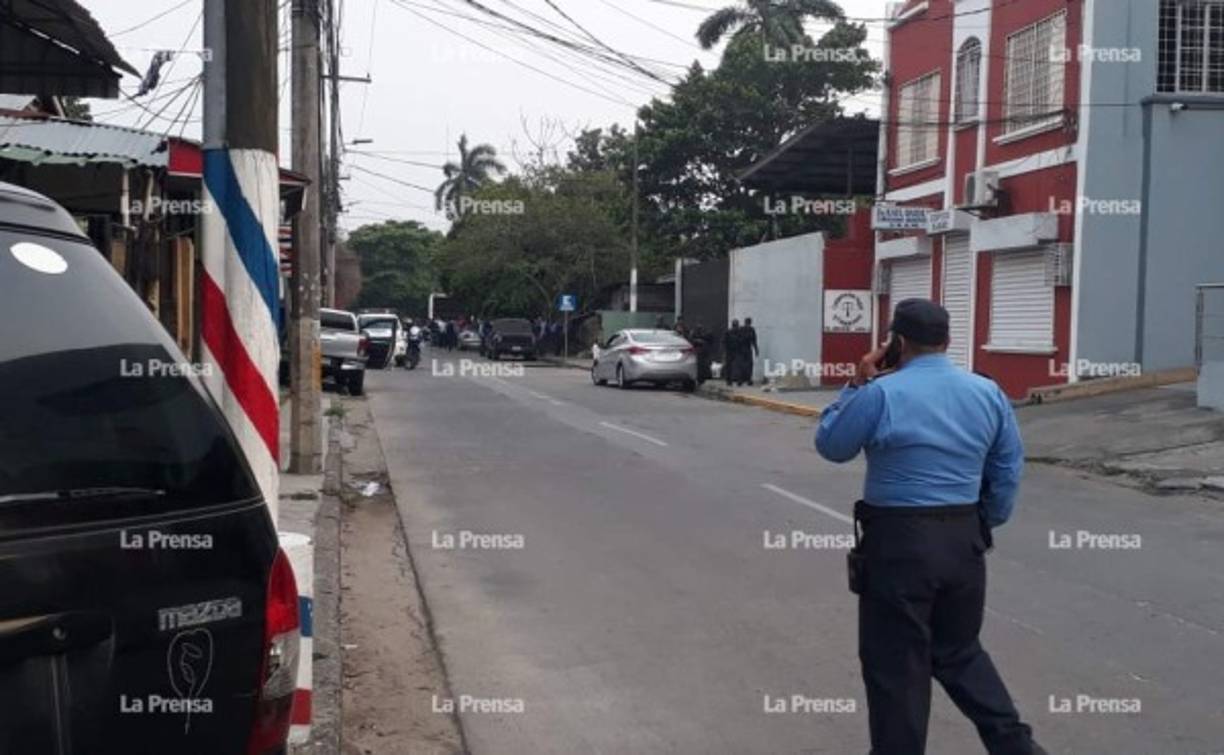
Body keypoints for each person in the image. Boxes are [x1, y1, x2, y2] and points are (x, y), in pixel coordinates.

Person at [814, 299, 1045, 755]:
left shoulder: (880, 393)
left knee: (896, 665)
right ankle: (1018, 748)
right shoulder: (987, 392)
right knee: (960, 652)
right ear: (948, 341)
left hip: (898, 544)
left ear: (896, 344)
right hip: (963, 539)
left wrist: (856, 383)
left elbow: (832, 445)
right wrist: (982, 523)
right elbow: (1007, 468)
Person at [723, 320, 742, 387]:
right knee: (729, 366)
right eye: (735, 325)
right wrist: (725, 350)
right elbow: (724, 341)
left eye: (736, 325)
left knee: (738, 366)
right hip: (730, 351)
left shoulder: (739, 333)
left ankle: (738, 380)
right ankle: (729, 380)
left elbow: (742, 341)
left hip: (737, 351)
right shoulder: (728, 332)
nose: (736, 327)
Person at [741, 317, 760, 386]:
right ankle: (745, 379)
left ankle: (746, 379)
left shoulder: (750, 329)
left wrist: (756, 349)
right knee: (746, 365)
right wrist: (756, 350)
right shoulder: (747, 329)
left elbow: (754, 340)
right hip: (744, 349)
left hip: (745, 349)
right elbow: (754, 341)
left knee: (747, 364)